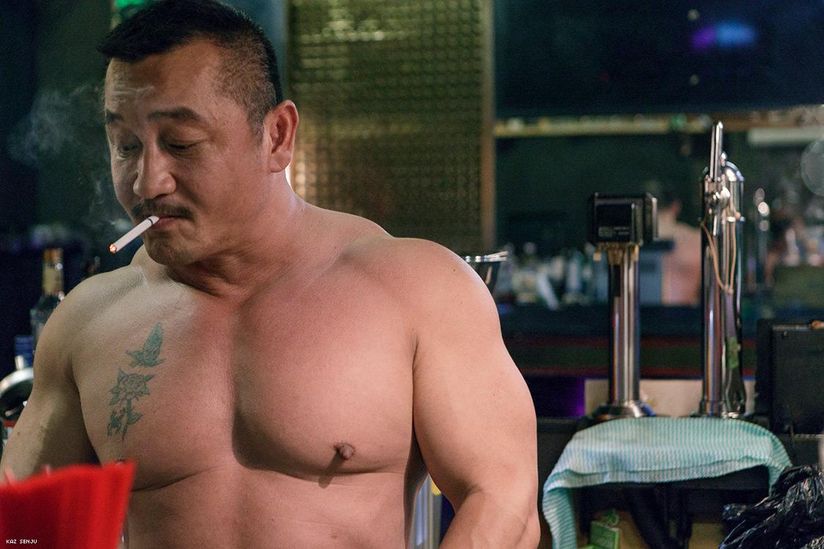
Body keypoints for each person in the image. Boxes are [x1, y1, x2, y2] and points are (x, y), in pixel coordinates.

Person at [0, 1, 540, 547]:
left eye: (181, 144)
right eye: (126, 147)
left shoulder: (414, 290)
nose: (147, 183)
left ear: (277, 136)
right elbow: (23, 526)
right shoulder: (90, 323)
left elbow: (502, 500)